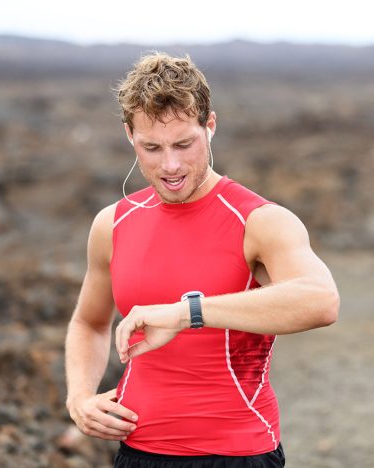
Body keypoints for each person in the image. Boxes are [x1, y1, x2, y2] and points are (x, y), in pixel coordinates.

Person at [64, 51, 339, 468]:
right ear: (129, 135)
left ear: (210, 126)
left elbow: (321, 301)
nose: (170, 165)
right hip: (138, 453)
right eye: (151, 147)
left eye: (184, 144)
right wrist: (80, 396)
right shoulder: (113, 224)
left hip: (236, 453)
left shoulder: (258, 221)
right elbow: (89, 321)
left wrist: (187, 313)